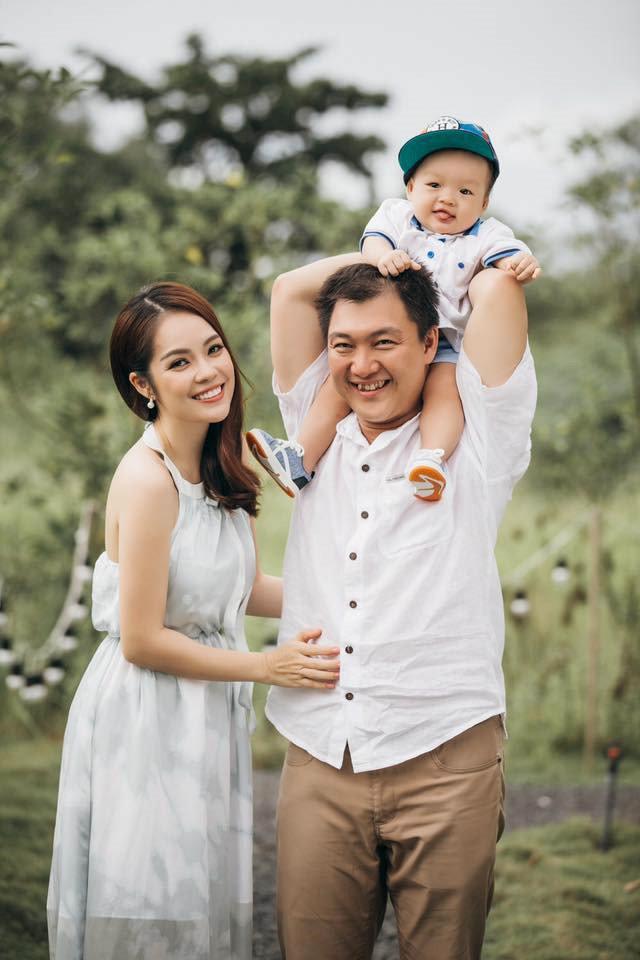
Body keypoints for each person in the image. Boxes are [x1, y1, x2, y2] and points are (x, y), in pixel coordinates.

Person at [46, 282, 340, 960]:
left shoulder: (218, 463)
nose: (208, 372)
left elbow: (242, 589)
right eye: (179, 362)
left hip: (204, 710)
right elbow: (143, 640)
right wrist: (266, 666)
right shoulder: (148, 480)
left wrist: (352, 597)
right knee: (155, 910)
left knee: (199, 900)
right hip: (146, 717)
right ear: (142, 384)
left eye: (213, 349)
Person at [264, 255, 537, 959]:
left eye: (384, 341)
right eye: (344, 345)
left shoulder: (476, 442)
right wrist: (383, 250)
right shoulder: (311, 434)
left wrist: (445, 253)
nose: (362, 366)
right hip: (322, 751)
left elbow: (498, 291)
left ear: (429, 341)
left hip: (444, 752)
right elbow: (289, 290)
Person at [246, 116, 540, 502]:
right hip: (401, 312)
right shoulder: (398, 218)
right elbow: (371, 245)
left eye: (466, 191)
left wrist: (516, 265)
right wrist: (382, 260)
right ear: (410, 187)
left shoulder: (485, 235)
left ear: (484, 203)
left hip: (449, 342)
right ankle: (300, 457)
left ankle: (431, 458)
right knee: (337, 388)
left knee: (444, 393)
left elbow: (507, 264)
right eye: (434, 185)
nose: (448, 198)